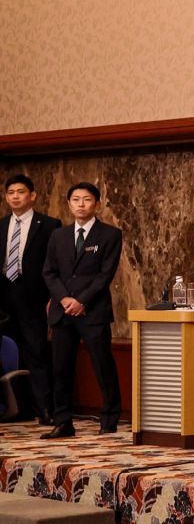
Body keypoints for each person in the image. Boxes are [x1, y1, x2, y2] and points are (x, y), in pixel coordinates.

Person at [41, 182, 123, 437]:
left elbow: (104, 275)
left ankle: (109, 420)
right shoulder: (59, 235)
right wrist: (65, 299)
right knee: (61, 367)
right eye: (75, 199)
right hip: (62, 311)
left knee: (102, 365)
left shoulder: (110, 234)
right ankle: (63, 421)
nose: (80, 204)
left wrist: (81, 301)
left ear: (97, 204)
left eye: (86, 199)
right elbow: (49, 272)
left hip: (93, 311)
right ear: (69, 203)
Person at [0, 175, 58, 423]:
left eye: (20, 191)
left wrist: (54, 296)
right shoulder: (1, 225)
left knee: (36, 354)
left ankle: (44, 409)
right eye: (10, 192)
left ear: (32, 195)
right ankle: (17, 408)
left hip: (34, 297)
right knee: (8, 354)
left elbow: (56, 264)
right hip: (4, 298)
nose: (15, 196)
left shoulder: (49, 225)